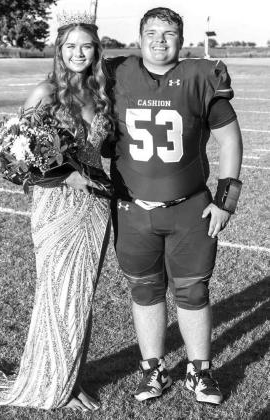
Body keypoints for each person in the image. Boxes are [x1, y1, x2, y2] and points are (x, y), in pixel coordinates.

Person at [0, 12, 113, 414]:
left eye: (86, 46)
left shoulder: (100, 94)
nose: (78, 52)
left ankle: (68, 378)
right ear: (59, 50)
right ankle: (52, 386)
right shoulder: (44, 92)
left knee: (80, 298)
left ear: (95, 51)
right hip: (57, 206)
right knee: (56, 297)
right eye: (70, 46)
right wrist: (67, 177)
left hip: (96, 208)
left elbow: (100, 151)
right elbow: (11, 158)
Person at [106, 7, 243, 405]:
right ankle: (154, 370)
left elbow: (230, 141)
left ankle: (199, 371)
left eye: (168, 33)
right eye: (151, 32)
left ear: (180, 40)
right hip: (132, 208)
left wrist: (225, 201)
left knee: (193, 291)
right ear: (140, 36)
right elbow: (66, 85)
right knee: (144, 289)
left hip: (190, 207)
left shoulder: (202, 76)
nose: (160, 40)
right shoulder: (116, 73)